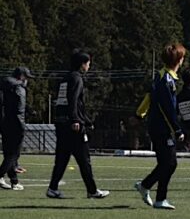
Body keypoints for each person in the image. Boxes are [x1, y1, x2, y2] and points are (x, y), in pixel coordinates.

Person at [47, 50, 110, 199]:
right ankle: (92, 190)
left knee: (62, 159)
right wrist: (76, 120)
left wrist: (86, 120)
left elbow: (64, 102)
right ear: (82, 64)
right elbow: (73, 101)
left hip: (61, 124)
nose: (89, 66)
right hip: (72, 126)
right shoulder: (77, 79)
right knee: (84, 159)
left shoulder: (65, 78)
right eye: (88, 63)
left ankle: (53, 188)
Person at [135, 43, 186, 210]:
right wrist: (176, 128)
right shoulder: (167, 80)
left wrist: (139, 113)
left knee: (166, 162)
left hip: (156, 126)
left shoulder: (160, 75)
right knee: (170, 163)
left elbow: (149, 97)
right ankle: (153, 193)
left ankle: (150, 189)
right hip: (162, 127)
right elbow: (167, 107)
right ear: (179, 60)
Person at [0, 68, 33, 191]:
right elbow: (19, 109)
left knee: (8, 154)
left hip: (5, 123)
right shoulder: (19, 89)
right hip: (16, 124)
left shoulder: (6, 86)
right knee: (14, 154)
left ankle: (14, 181)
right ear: (22, 76)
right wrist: (22, 126)